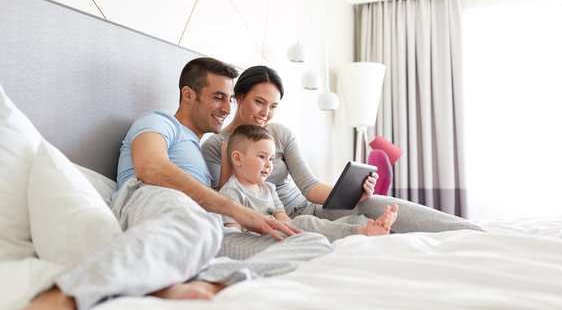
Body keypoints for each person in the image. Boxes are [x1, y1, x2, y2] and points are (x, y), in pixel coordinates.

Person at [26, 58, 332, 310]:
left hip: (207, 225)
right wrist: (236, 210)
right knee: (192, 222)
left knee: (312, 242)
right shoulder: (158, 122)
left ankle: (201, 282)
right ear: (188, 95)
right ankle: (59, 299)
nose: (227, 108)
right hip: (153, 196)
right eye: (218, 97)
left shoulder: (205, 149)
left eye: (229, 98)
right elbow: (149, 166)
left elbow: (225, 193)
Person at [202, 65, 483, 234]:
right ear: (239, 97)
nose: (266, 113)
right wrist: (229, 151)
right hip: (280, 218)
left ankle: (468, 230)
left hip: (311, 206)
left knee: (371, 203)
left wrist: (350, 194)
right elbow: (225, 199)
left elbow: (309, 185)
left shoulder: (280, 134)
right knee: (354, 223)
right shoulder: (216, 145)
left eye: (273, 106)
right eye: (259, 102)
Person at [220, 124, 398, 242]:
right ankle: (363, 233)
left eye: (272, 159)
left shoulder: (269, 188)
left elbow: (284, 220)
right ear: (237, 158)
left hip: (279, 231)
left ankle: (366, 226)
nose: (269, 165)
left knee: (334, 220)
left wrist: (297, 231)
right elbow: (233, 236)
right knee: (305, 222)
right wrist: (297, 228)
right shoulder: (231, 193)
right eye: (262, 157)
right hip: (260, 238)